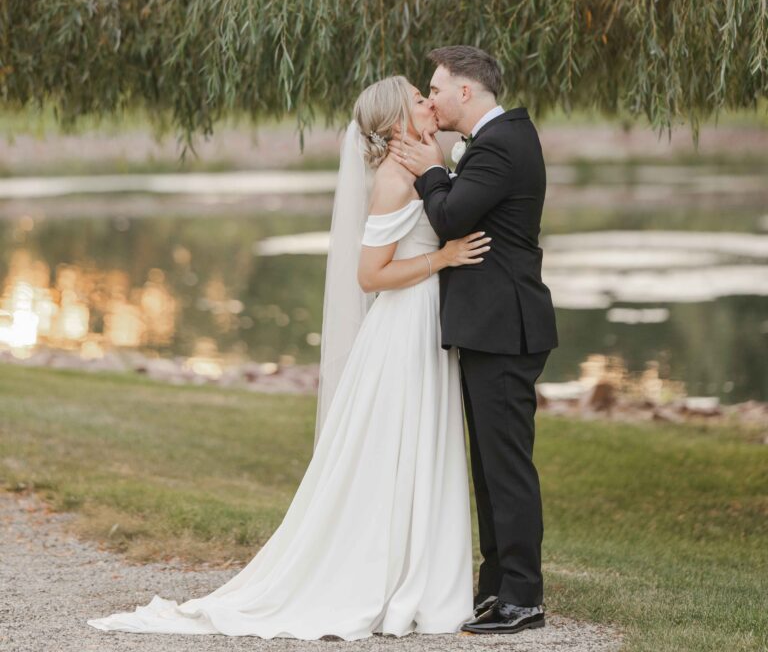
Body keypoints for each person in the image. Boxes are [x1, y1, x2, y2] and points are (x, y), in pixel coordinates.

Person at [86, 76, 488, 639]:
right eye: (420, 100)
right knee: (395, 447)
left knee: (418, 445)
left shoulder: (421, 169)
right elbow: (370, 274)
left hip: (424, 324)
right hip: (403, 329)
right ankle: (392, 575)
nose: (430, 103)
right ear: (399, 123)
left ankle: (418, 571)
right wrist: (442, 259)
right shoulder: (395, 182)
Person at [392, 46, 558, 635]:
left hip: (505, 328)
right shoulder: (498, 141)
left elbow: (451, 217)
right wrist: (439, 168)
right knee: (489, 466)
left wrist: (430, 170)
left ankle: (524, 598)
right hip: (490, 327)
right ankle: (498, 588)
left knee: (506, 466)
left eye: (436, 88)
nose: (430, 98)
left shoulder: (502, 144)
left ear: (466, 91)